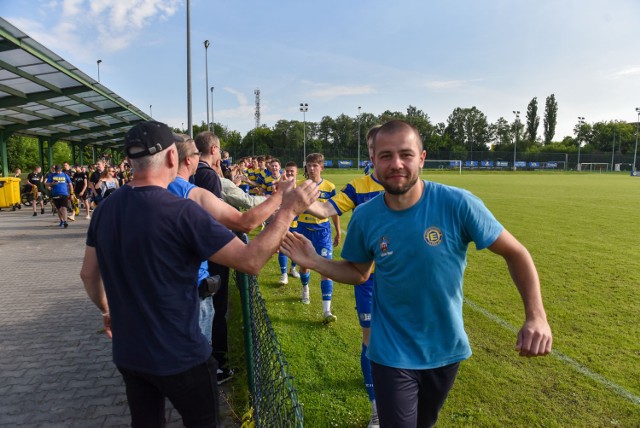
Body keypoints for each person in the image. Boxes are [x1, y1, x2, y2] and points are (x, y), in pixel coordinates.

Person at [281, 120, 553, 427]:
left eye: (405, 154)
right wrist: (315, 261)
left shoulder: (458, 204)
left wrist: (536, 316)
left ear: (421, 158)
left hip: (445, 349)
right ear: (373, 161)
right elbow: (358, 272)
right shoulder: (366, 217)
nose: (396, 164)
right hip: (390, 351)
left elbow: (516, 253)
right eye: (385, 156)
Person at [80, 120, 318, 427]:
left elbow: (88, 274)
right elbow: (250, 261)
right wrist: (288, 210)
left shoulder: (105, 210)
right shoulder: (181, 210)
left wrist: (106, 309)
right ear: (170, 158)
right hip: (181, 355)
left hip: (129, 354)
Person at [303, 125, 383, 426]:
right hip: (368, 280)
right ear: (371, 151)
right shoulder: (357, 186)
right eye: (376, 147)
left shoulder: (413, 187)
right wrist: (295, 198)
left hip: (405, 283)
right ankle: (376, 407)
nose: (381, 154)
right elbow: (325, 209)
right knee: (370, 342)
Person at [295, 153, 340, 323]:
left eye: (315, 165)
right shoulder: (300, 186)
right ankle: (305, 288)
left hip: (323, 232)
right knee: (305, 266)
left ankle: (326, 310)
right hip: (303, 230)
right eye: (309, 165)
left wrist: (338, 230)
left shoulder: (329, 187)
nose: (312, 168)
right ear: (305, 167)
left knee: (325, 268)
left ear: (322, 167)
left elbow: (333, 209)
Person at [277, 161, 301, 285]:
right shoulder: (281, 187)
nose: (290, 173)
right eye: (288, 171)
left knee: (297, 248)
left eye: (292, 171)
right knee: (283, 248)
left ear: (297, 172)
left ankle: (293, 268)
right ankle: (283, 274)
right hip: (284, 224)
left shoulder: (301, 188)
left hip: (299, 225)